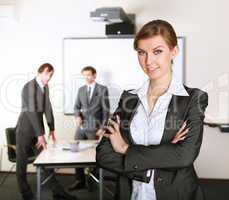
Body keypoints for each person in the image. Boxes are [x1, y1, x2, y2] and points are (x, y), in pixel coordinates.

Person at [96, 19, 208, 200]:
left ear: (174, 51)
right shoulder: (129, 98)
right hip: (131, 194)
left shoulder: (193, 99)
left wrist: (125, 148)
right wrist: (162, 155)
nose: (148, 61)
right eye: (142, 52)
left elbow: (184, 156)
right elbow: (103, 154)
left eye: (157, 51)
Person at [16, 63, 77, 200]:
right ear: (40, 72)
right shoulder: (29, 86)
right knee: (21, 163)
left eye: (51, 75)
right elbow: (31, 112)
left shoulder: (45, 87)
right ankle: (26, 194)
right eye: (47, 74)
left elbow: (47, 108)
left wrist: (52, 128)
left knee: (44, 162)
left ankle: (58, 192)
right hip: (25, 130)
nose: (49, 78)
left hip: (38, 131)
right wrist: (40, 135)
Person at [68, 66, 110, 191]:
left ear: (94, 75)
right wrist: (77, 116)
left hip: (95, 128)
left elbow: (106, 111)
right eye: (84, 75)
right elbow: (76, 107)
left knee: (93, 155)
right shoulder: (81, 90)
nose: (87, 78)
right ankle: (79, 180)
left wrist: (103, 128)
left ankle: (92, 179)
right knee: (75, 151)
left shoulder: (102, 89)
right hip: (81, 127)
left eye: (89, 75)